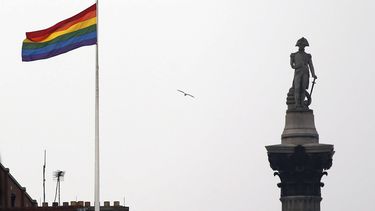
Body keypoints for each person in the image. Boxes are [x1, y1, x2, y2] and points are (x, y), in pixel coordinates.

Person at [290, 37, 317, 109]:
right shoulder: (294, 55)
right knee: (297, 88)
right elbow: (292, 65)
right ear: (298, 46)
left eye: (303, 45)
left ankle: (302, 104)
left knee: (303, 89)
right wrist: (298, 66)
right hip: (298, 73)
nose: (302, 46)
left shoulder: (308, 56)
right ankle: (297, 104)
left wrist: (313, 74)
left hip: (305, 73)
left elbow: (311, 65)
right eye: (301, 45)